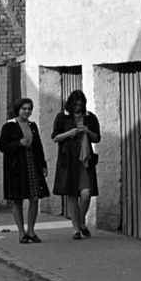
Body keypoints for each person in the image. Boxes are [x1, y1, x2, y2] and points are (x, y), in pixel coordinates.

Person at [50, 88, 101, 239]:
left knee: (86, 193)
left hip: (84, 160)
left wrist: (88, 131)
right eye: (76, 104)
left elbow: (97, 138)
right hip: (68, 160)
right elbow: (55, 137)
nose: (78, 107)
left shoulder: (90, 117)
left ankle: (81, 221)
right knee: (72, 194)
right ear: (71, 104)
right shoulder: (62, 117)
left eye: (81, 104)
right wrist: (70, 133)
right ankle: (76, 229)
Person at [0, 96, 49, 243]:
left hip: (32, 163)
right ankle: (21, 232)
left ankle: (31, 231)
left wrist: (43, 165)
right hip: (16, 166)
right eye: (24, 109)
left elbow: (38, 146)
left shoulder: (32, 126)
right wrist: (18, 143)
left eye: (29, 109)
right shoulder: (9, 126)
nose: (27, 111)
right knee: (17, 200)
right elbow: (3, 147)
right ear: (18, 110)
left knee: (34, 198)